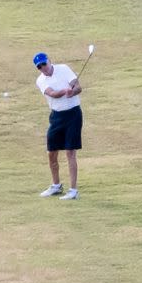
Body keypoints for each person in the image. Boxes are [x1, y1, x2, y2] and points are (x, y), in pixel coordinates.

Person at [33, 52, 83, 200]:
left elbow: (78, 87)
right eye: (39, 67)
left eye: (44, 64)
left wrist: (72, 92)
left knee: (70, 152)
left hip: (73, 114)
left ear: (49, 61)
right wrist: (64, 91)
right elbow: (52, 94)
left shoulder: (64, 69)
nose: (43, 68)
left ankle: (73, 191)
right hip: (56, 117)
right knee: (51, 152)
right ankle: (56, 185)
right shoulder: (41, 80)